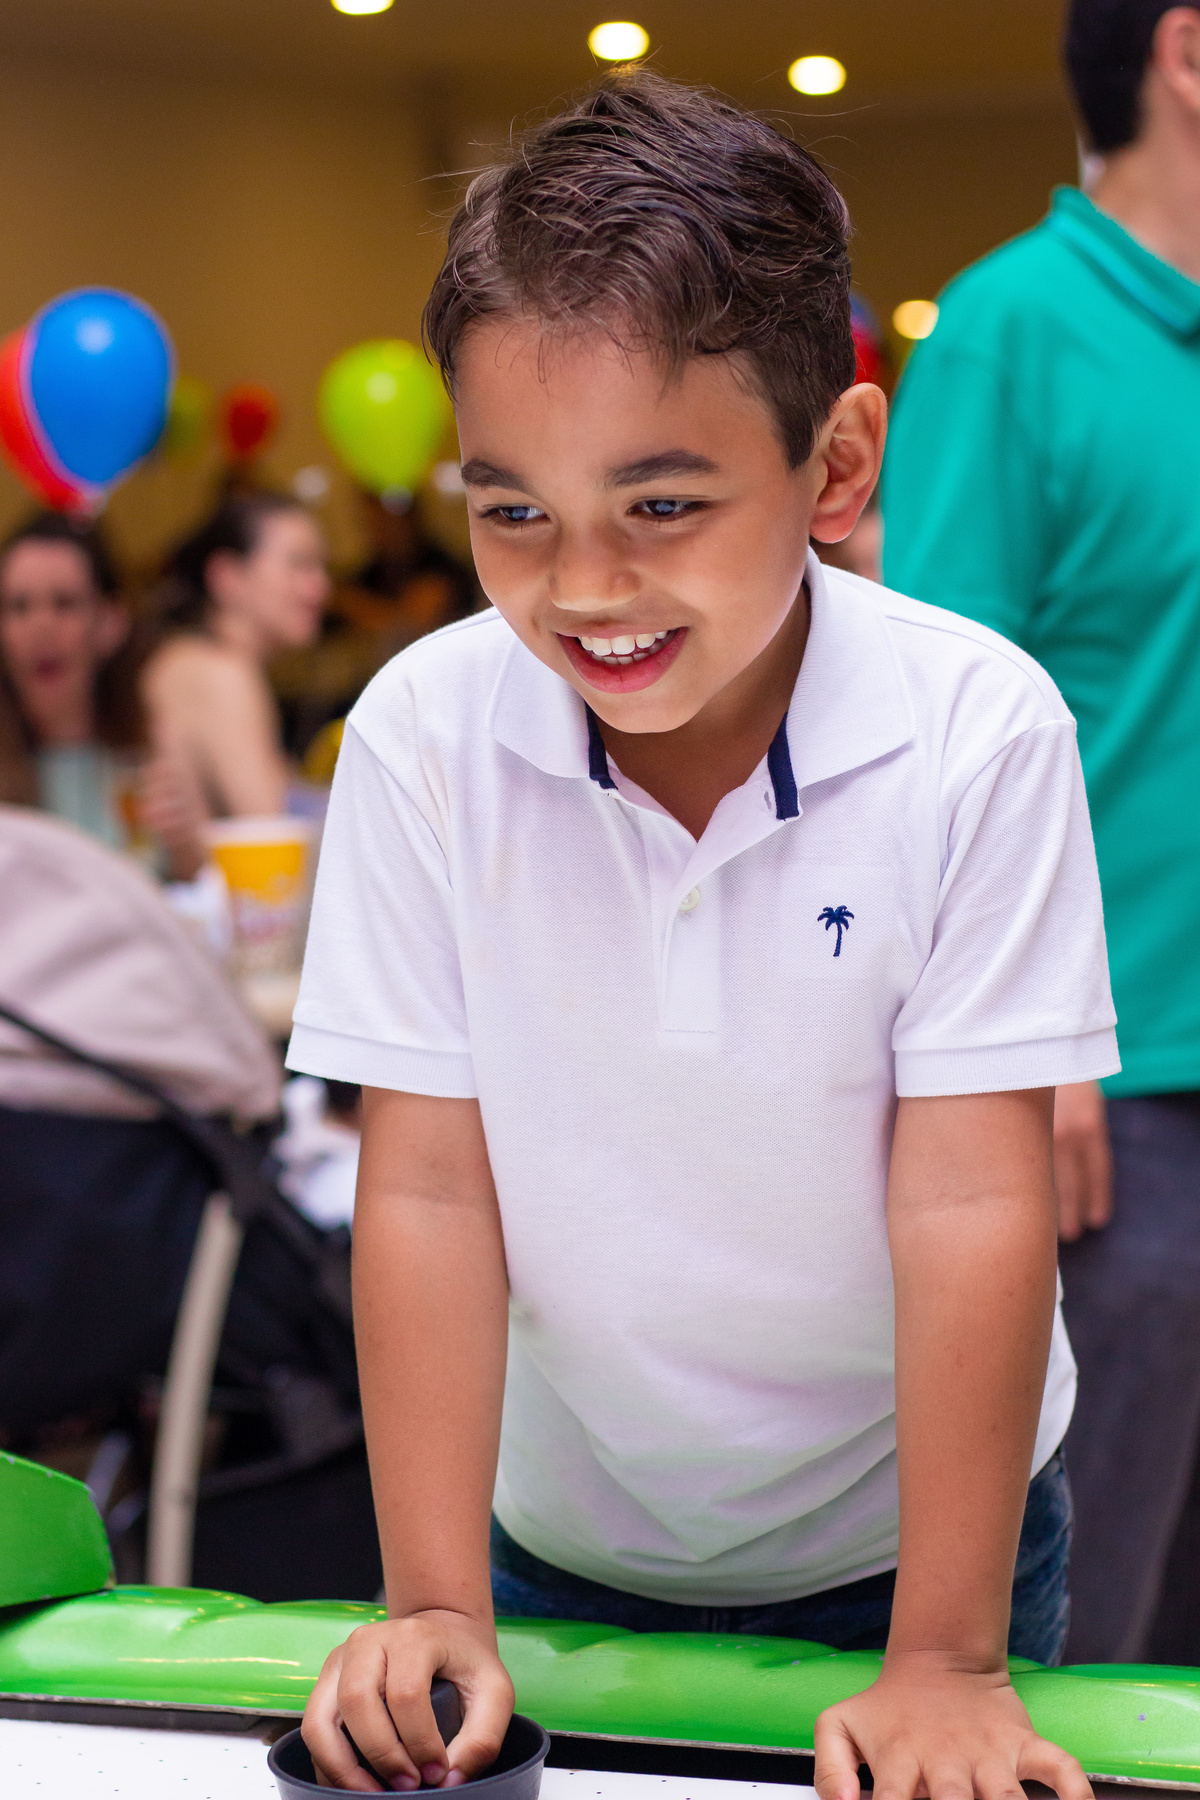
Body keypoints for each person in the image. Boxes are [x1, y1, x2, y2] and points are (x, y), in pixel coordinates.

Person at [288, 72, 1116, 1798]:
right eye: (511, 508)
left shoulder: (981, 730)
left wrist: (948, 1658)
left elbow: (972, 1193)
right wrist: (431, 1597)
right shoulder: (424, 735)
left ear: (836, 464)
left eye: (661, 506)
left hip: (923, 1549)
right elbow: (432, 1187)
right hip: (554, 1534)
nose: (582, 587)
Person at [881, 0, 1200, 1662]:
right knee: (1109, 1628)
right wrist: (1036, 1051)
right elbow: (934, 730)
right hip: (1122, 1100)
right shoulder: (1012, 331)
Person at [143, 492, 331, 872]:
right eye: (299, 565)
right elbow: (274, 839)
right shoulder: (219, 673)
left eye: (321, 568)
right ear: (227, 577)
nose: (320, 588)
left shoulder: (194, 658)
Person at [0, 511, 145, 850]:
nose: (41, 626)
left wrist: (187, 846)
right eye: (19, 607)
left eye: (64, 604)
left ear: (111, 622)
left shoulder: (155, 753)